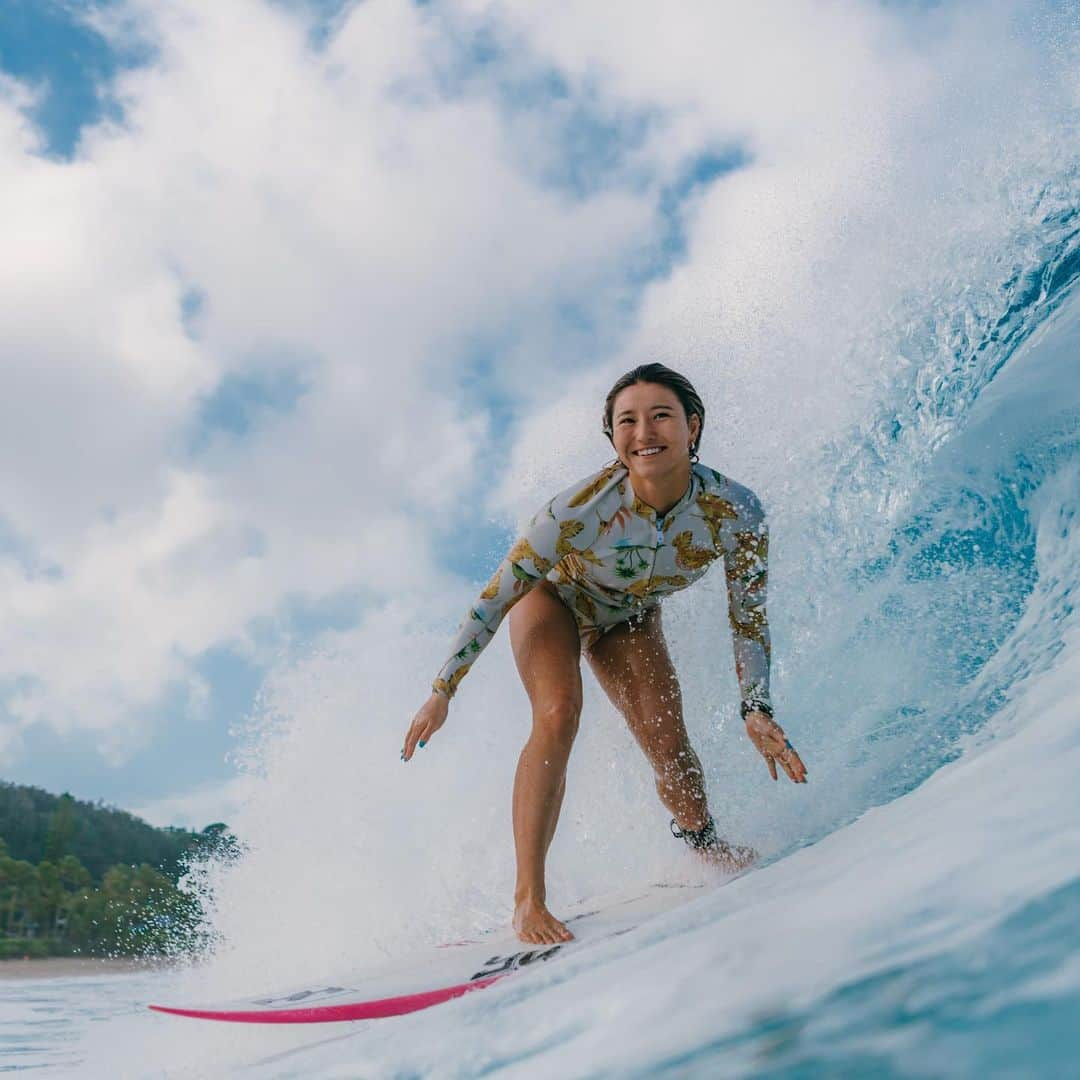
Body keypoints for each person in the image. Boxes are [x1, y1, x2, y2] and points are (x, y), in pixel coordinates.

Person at [402, 363, 807, 945]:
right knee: (559, 711)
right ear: (614, 437)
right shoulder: (574, 512)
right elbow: (494, 599)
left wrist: (756, 707)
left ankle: (704, 845)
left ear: (692, 427)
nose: (645, 431)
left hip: (627, 618)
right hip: (554, 601)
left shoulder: (736, 511)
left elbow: (749, 616)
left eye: (661, 415)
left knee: (669, 742)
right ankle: (528, 901)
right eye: (628, 420)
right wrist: (442, 691)